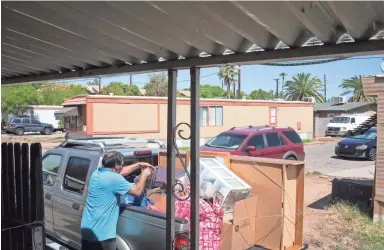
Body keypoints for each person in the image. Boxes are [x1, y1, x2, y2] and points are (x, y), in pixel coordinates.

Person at [81, 151, 154, 250]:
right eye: (122, 163)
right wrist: (144, 175)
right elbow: (137, 191)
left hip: (88, 230)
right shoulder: (114, 178)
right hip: (102, 235)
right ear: (116, 165)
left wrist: (138, 165)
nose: (122, 166)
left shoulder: (97, 173)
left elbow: (122, 171)